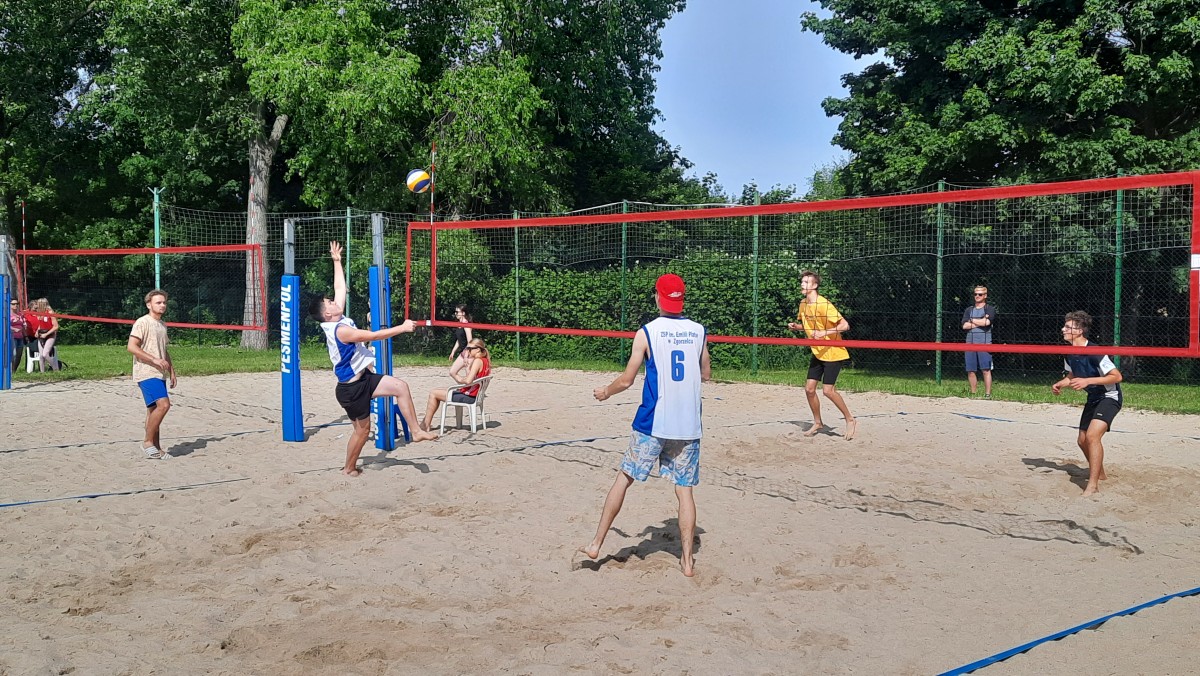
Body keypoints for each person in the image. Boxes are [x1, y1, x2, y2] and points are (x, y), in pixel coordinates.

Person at [580, 273, 711, 577]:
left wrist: (606, 392)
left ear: (657, 297)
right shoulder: (698, 331)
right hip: (688, 425)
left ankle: (596, 544)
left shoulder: (647, 332)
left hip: (653, 422)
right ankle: (687, 561)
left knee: (624, 478)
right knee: (685, 491)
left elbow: (627, 380)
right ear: (682, 299)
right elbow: (706, 374)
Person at [310, 241, 437, 477]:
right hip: (351, 390)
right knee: (362, 432)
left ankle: (416, 431)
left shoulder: (338, 318)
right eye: (330, 303)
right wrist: (402, 328)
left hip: (364, 379)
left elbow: (340, 288)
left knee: (400, 387)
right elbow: (374, 336)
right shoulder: (340, 330)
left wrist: (337, 261)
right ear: (327, 313)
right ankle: (348, 468)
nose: (335, 301)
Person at [1051, 311, 1122, 497]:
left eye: (1068, 327)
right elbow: (1072, 375)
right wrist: (1061, 383)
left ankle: (1092, 485)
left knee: (1091, 436)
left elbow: (1116, 376)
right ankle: (1100, 474)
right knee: (1082, 441)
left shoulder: (1095, 352)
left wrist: (1087, 381)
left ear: (1080, 330)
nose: (1063, 329)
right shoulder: (1069, 353)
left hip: (1110, 397)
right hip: (1093, 398)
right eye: (1064, 326)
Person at [786, 270, 857, 440]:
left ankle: (850, 419)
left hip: (833, 352)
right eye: (802, 281)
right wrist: (797, 327)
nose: (802, 284)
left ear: (815, 285)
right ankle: (818, 422)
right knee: (809, 389)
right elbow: (810, 326)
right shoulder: (803, 303)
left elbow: (845, 325)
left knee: (828, 391)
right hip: (818, 351)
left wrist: (825, 333)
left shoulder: (824, 304)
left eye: (806, 282)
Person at [127, 289, 176, 460]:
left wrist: (172, 371)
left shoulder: (162, 325)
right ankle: (147, 442)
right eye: (158, 302)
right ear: (149, 305)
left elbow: (164, 350)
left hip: (159, 373)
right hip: (146, 372)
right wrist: (154, 359)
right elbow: (131, 347)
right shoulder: (142, 322)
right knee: (164, 405)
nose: (162, 305)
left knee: (154, 411)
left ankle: (157, 448)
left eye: (164, 302)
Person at [421, 337, 492, 432]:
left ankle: (426, 425)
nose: (467, 351)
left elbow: (468, 381)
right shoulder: (485, 361)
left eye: (470, 349)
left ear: (478, 349)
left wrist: (460, 378)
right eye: (467, 348)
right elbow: (474, 380)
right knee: (439, 390)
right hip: (476, 395)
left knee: (433, 393)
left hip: (470, 397)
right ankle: (426, 423)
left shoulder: (477, 361)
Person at [962, 285, 995, 398]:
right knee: (971, 370)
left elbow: (987, 323)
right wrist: (980, 321)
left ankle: (987, 394)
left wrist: (972, 320)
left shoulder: (989, 309)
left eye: (980, 294)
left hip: (984, 343)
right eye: (975, 294)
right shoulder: (969, 310)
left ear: (985, 296)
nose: (977, 296)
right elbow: (964, 326)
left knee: (986, 370)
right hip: (970, 343)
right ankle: (973, 394)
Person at [28, 297, 60, 371]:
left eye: (38, 304)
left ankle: (56, 369)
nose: (37, 306)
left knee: (45, 354)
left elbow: (56, 326)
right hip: (42, 334)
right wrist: (37, 331)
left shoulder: (50, 312)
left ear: (42, 304)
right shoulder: (40, 313)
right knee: (41, 356)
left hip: (50, 334)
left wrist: (46, 334)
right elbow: (41, 324)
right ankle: (42, 372)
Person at [448, 304, 474, 371]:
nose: (455, 314)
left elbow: (470, 342)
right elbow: (459, 340)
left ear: (463, 313)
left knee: (469, 373)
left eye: (457, 312)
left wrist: (466, 355)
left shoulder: (466, 325)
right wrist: (453, 352)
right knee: (452, 372)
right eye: (455, 312)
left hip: (470, 352)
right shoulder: (459, 324)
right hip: (464, 352)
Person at [8, 298, 27, 371]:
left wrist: (25, 336)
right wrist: (13, 329)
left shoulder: (20, 314)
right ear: (9, 305)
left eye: (17, 304)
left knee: (19, 355)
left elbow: (23, 325)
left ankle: (14, 370)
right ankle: (10, 370)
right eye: (13, 304)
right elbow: (5, 325)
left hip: (20, 337)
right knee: (14, 354)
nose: (15, 305)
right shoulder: (7, 314)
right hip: (12, 336)